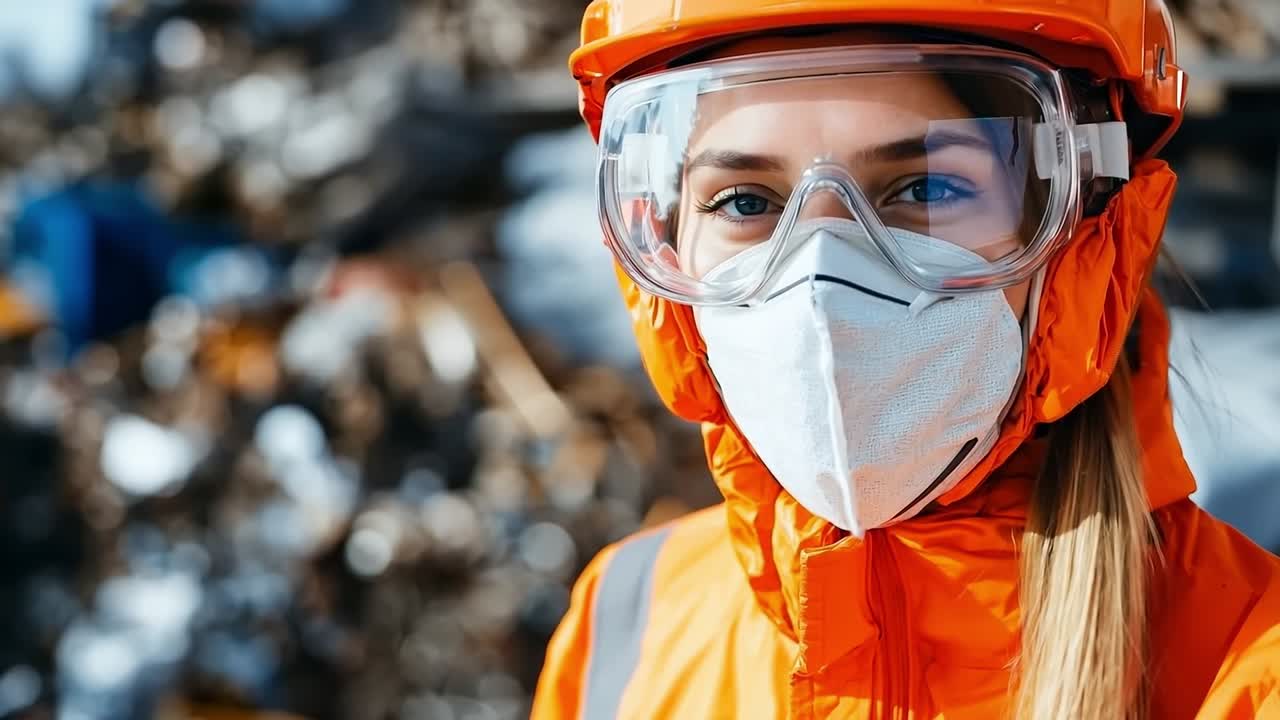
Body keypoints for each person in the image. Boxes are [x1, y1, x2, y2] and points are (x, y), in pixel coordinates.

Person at [532, 1, 1280, 718]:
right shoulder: (626, 624)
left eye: (923, 187)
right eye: (744, 203)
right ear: (657, 241)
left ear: (1089, 231)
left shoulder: (1248, 667)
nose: (820, 278)